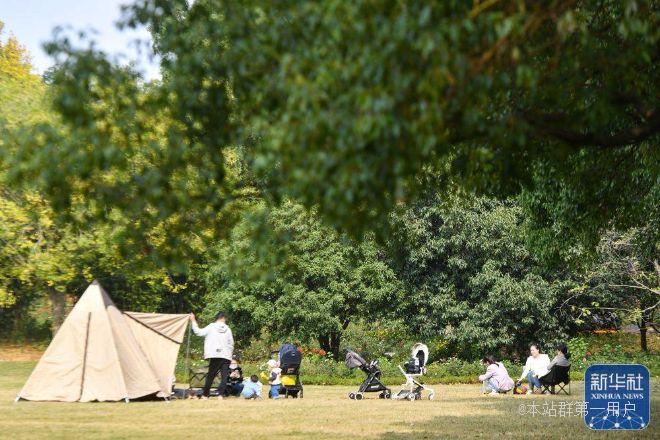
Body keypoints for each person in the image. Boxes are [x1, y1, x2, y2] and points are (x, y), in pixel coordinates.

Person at [190, 311, 234, 400]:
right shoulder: (228, 329)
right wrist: (230, 354)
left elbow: (199, 332)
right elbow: (231, 343)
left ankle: (205, 395)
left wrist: (193, 320)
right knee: (224, 376)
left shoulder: (211, 326)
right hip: (226, 355)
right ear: (223, 318)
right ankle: (220, 395)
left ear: (217, 318)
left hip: (215, 354)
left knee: (211, 375)